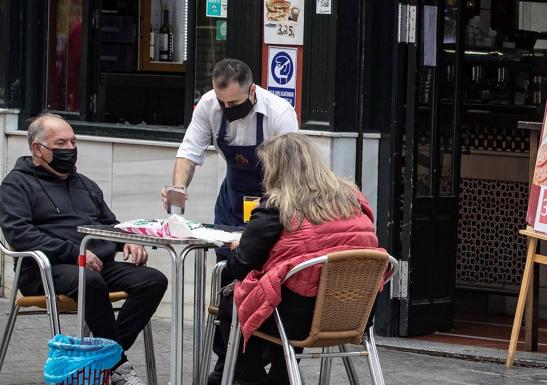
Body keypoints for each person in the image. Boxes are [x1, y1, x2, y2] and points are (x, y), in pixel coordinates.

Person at [0, 114, 168, 385]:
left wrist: (125, 239)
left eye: (73, 142)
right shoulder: (15, 185)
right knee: (89, 280)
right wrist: (73, 252)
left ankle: (105, 356)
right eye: (61, 143)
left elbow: (109, 223)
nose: (70, 149)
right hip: (44, 270)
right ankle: (117, 366)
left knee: (153, 280)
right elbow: (19, 233)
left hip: (97, 264)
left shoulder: (85, 185)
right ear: (37, 149)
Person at [164, 58, 298, 384]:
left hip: (272, 202)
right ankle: (229, 364)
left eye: (234, 103)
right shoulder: (209, 106)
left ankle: (248, 365)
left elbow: (293, 173)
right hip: (232, 203)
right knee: (230, 282)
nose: (227, 108)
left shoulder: (279, 113)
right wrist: (178, 189)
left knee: (265, 282)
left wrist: (267, 223)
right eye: (222, 102)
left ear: (252, 90)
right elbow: (189, 151)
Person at [218, 133, 382, 385]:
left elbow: (241, 265)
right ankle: (281, 379)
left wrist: (240, 246)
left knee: (233, 302)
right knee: (292, 288)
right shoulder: (353, 198)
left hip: (298, 319)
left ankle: (250, 380)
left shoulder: (278, 206)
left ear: (276, 170)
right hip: (353, 312)